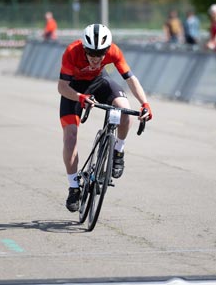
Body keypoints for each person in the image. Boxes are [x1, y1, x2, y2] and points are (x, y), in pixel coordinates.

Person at [58, 23, 153, 212]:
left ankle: (118, 150)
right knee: (70, 137)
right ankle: (74, 187)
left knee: (125, 112)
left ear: (107, 50)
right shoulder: (72, 51)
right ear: (84, 48)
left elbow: (130, 79)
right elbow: (62, 86)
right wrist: (80, 98)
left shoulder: (114, 51)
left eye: (100, 54)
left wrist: (145, 103)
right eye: (91, 54)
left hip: (99, 82)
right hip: (74, 89)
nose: (95, 59)